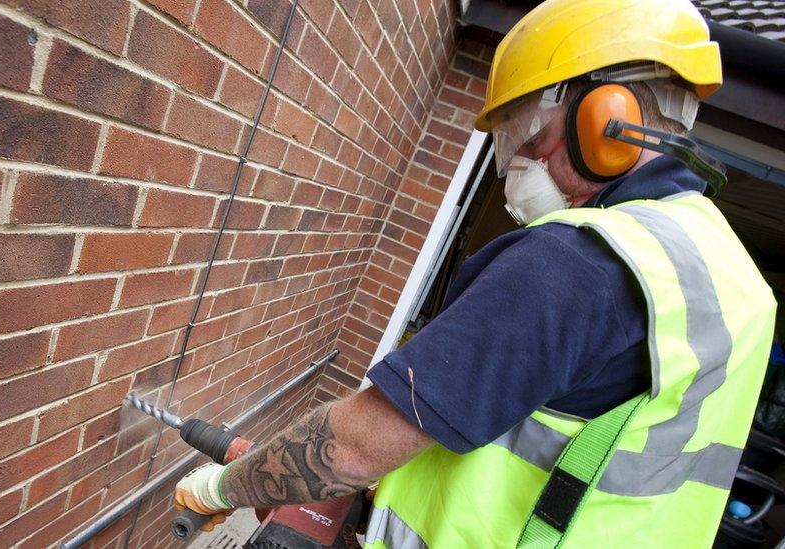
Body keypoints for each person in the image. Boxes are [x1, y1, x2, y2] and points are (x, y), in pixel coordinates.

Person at [172, 0, 778, 546]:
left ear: (605, 115)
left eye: (528, 131)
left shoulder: (578, 263)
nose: (519, 162)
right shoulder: (734, 279)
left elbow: (350, 449)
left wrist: (221, 489)